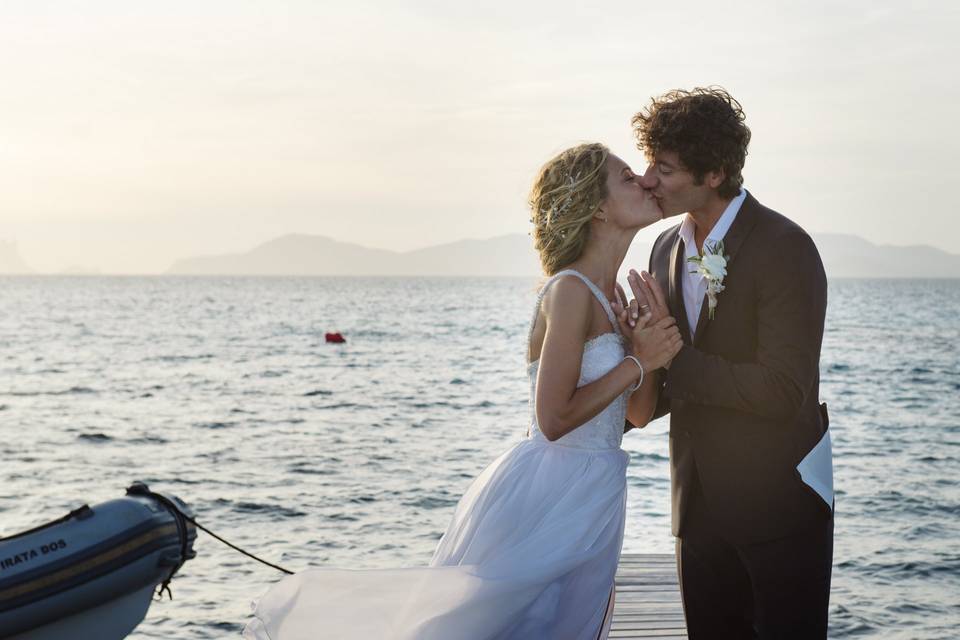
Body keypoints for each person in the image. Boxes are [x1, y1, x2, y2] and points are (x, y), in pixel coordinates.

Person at [242, 143, 683, 640]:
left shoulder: (609, 295)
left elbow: (639, 415)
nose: (645, 182)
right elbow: (554, 421)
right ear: (597, 206)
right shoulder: (569, 290)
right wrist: (636, 361)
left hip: (598, 486)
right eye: (628, 177)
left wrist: (640, 344)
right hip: (550, 492)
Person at [623, 87, 834, 639]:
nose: (648, 179)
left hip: (778, 506)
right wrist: (633, 365)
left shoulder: (785, 247)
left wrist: (673, 358)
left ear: (714, 172)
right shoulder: (665, 247)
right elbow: (670, 380)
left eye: (664, 169)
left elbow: (784, 388)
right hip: (695, 506)